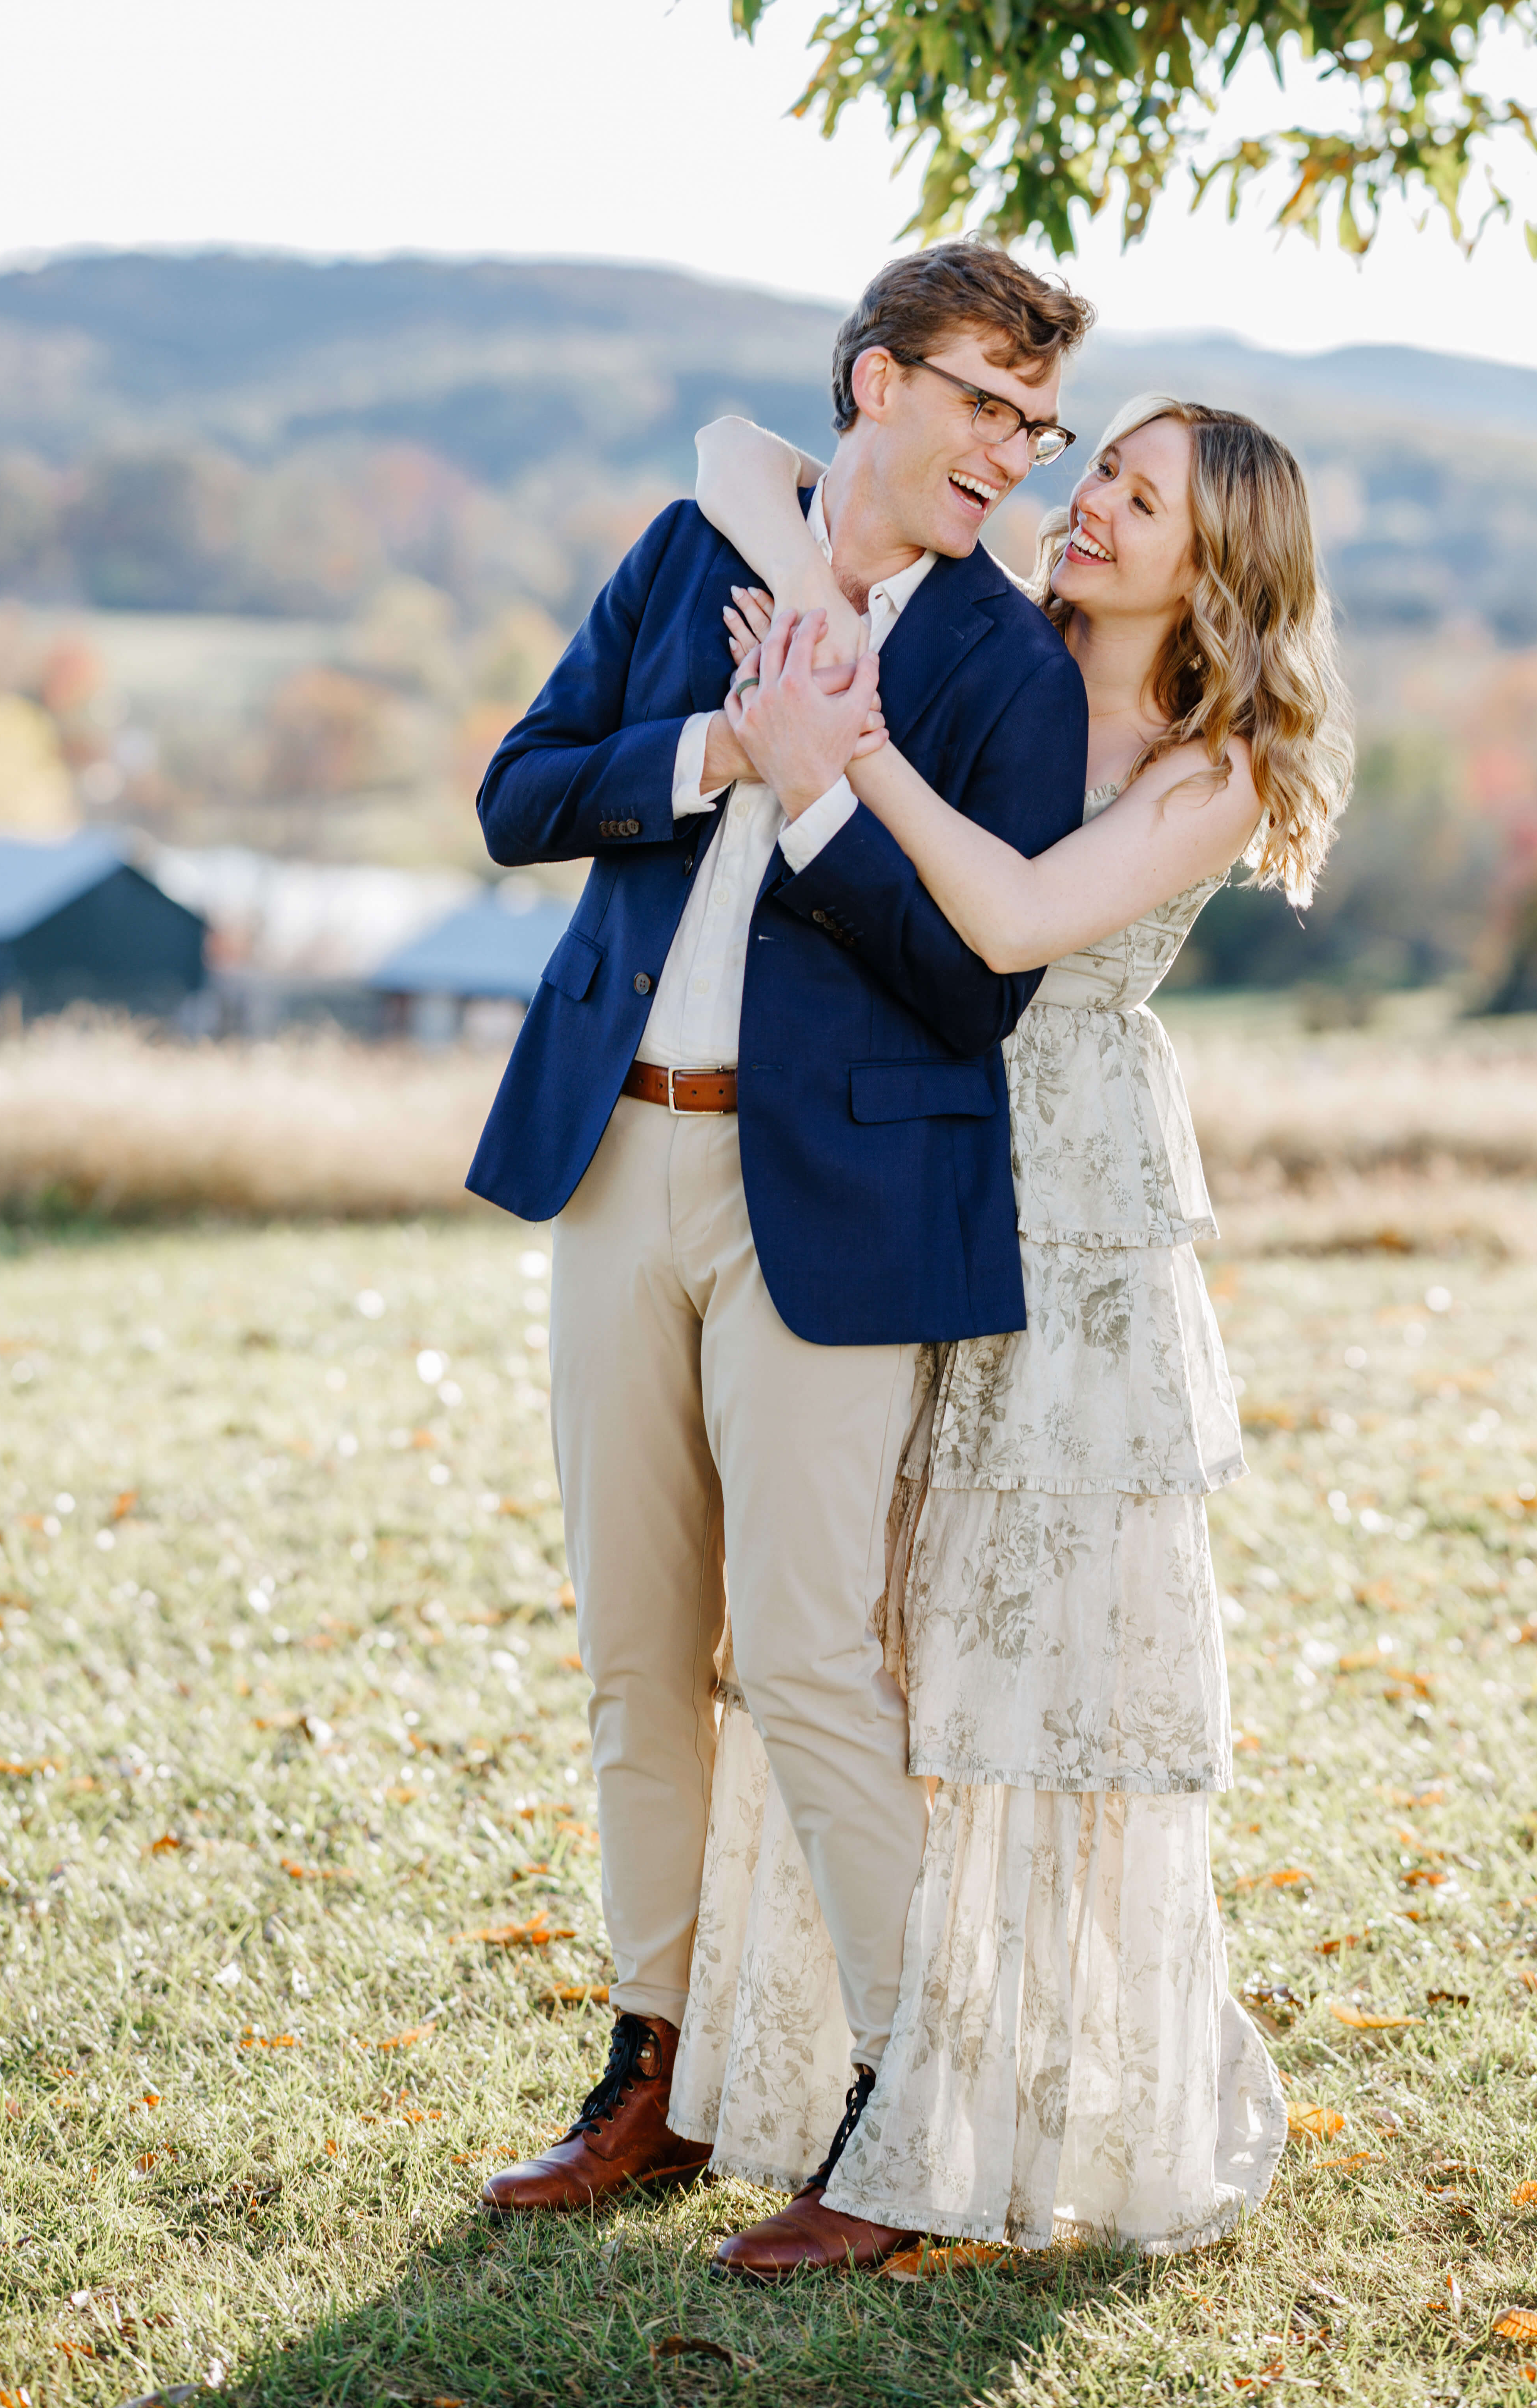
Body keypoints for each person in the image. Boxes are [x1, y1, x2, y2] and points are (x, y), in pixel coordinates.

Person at [675, 393, 1354, 2273]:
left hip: (1069, 1207)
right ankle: (878, 2080)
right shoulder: (995, 635)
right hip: (916, 1154)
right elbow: (738, 453)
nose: (1093, 508)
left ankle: (956, 2135)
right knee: (870, 1628)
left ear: (1218, 566)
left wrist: (852, 752)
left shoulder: (1222, 759)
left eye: (1141, 499)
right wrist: (841, 567)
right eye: (1099, 471)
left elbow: (1016, 921)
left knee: (1023, 1669)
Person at [463, 243, 1094, 2250]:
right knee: (631, 1646)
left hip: (834, 1196)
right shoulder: (686, 554)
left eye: (1037, 421)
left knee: (814, 1656)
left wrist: (824, 792)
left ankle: (913, 2116)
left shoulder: (1006, 667)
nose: (1012, 452)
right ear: (870, 383)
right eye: (984, 401)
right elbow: (516, 794)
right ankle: (653, 2065)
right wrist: (725, 750)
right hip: (612, 1159)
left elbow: (972, 988)